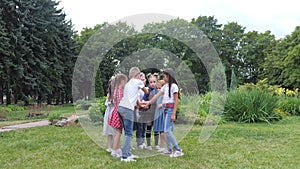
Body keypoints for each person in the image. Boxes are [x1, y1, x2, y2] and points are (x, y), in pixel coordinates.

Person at [144, 68, 184, 158]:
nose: (163, 78)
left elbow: (176, 101)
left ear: (169, 77)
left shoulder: (174, 86)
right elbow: (156, 96)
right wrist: (148, 102)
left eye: (164, 76)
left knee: (167, 130)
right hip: (165, 109)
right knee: (167, 130)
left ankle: (177, 149)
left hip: (170, 109)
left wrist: (173, 113)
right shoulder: (165, 87)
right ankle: (169, 149)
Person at [118, 67, 148, 162]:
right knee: (128, 133)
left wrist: (140, 106)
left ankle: (129, 153)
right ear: (138, 75)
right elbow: (146, 91)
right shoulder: (137, 81)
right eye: (140, 75)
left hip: (121, 108)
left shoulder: (128, 84)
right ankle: (125, 156)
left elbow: (133, 98)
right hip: (128, 110)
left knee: (126, 131)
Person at [108, 73, 128, 158]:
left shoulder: (116, 90)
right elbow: (121, 103)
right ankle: (115, 150)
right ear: (122, 81)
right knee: (118, 132)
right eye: (125, 82)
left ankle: (117, 148)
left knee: (118, 132)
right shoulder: (120, 91)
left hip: (116, 111)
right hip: (120, 113)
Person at [143, 73, 159, 150]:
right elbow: (143, 100)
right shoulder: (147, 91)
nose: (152, 84)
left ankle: (156, 144)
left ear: (157, 82)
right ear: (149, 83)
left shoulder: (159, 91)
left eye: (154, 82)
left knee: (156, 128)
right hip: (149, 112)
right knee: (148, 127)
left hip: (157, 112)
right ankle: (148, 145)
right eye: (151, 82)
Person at [102, 77, 116, 153]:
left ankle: (115, 146)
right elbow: (106, 104)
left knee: (114, 131)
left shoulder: (118, 93)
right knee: (109, 131)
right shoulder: (109, 94)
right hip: (109, 112)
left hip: (115, 113)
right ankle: (109, 146)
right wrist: (110, 101)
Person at [153, 79, 167, 152]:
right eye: (157, 88)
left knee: (162, 132)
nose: (158, 90)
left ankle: (163, 146)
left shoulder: (165, 96)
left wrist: (162, 105)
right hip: (158, 114)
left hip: (162, 114)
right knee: (159, 131)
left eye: (160, 88)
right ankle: (161, 146)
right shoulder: (158, 96)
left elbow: (168, 104)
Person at [135, 72, 147, 149]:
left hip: (146, 111)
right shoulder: (138, 90)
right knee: (140, 127)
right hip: (139, 110)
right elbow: (138, 99)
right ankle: (139, 143)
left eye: (143, 79)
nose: (142, 81)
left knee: (144, 127)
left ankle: (142, 141)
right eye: (140, 80)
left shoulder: (146, 89)